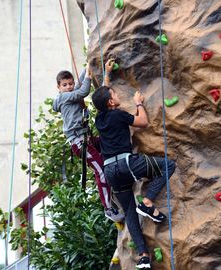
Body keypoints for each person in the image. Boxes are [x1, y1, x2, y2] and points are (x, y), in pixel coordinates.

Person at [91, 82, 175, 269]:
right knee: (168, 165)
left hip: (110, 171)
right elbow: (143, 122)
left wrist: (106, 73)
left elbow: (101, 97)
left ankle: (143, 256)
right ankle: (147, 202)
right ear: (111, 102)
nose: (118, 95)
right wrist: (138, 103)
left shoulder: (100, 119)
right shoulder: (118, 115)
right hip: (126, 164)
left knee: (129, 211)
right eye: (115, 94)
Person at [52, 64, 124, 222]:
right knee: (102, 171)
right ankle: (108, 208)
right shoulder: (64, 97)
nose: (69, 87)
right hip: (80, 142)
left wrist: (88, 65)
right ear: (58, 87)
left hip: (86, 138)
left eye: (70, 84)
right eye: (65, 85)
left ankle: (115, 188)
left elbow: (79, 85)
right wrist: (89, 77)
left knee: (108, 145)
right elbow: (83, 91)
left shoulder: (71, 93)